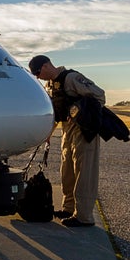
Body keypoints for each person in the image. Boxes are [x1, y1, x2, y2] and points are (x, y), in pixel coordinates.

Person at [28, 55, 106, 228]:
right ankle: (69, 208)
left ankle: (84, 217)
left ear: (47, 65)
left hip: (84, 130)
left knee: (84, 172)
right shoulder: (50, 85)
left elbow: (99, 95)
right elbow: (57, 110)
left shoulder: (72, 78)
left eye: (38, 72)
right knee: (67, 171)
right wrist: (48, 132)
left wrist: (79, 113)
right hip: (67, 130)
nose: (37, 77)